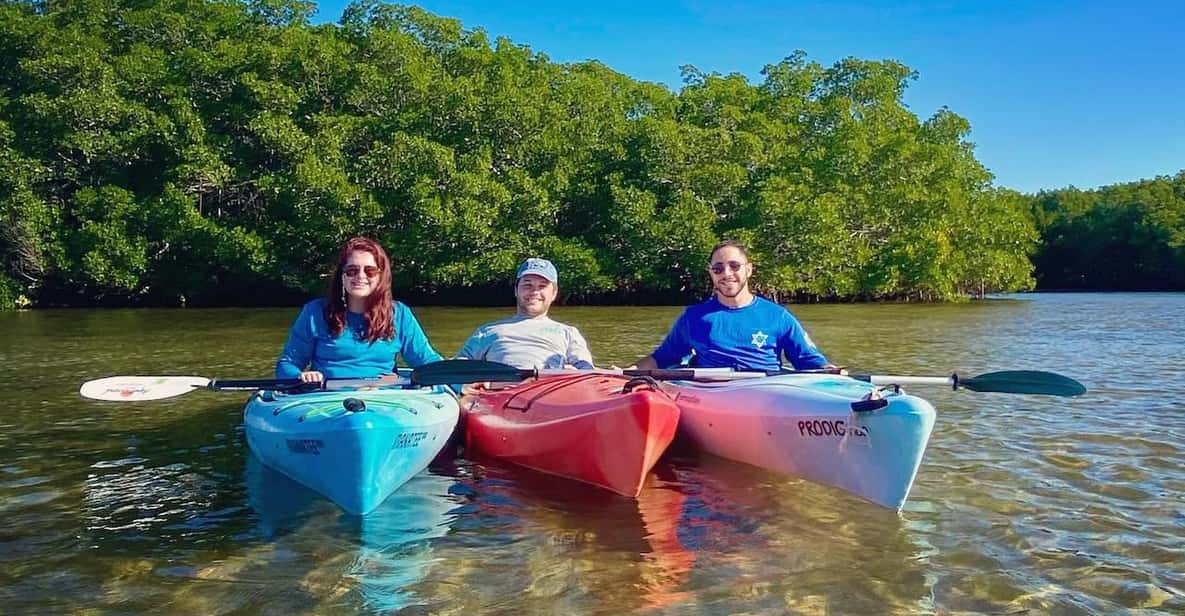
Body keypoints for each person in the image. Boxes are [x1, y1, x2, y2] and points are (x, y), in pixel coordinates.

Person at [631, 240, 832, 372]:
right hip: (713, 394)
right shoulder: (693, 318)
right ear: (711, 273)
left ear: (749, 270)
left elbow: (809, 360)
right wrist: (624, 373)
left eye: (734, 266)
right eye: (718, 269)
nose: (727, 274)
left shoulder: (778, 316)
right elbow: (662, 358)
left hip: (768, 391)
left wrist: (832, 373)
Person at [275, 236, 443, 382]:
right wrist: (301, 376)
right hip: (326, 398)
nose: (360, 276)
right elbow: (288, 364)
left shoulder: (400, 314)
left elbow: (426, 360)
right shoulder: (314, 312)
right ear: (342, 276)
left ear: (381, 276)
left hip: (384, 397)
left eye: (370, 271)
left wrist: (456, 379)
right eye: (352, 270)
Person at [455, 258, 595, 370]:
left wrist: (575, 374)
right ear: (516, 290)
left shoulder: (568, 333)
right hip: (500, 390)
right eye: (528, 285)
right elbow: (458, 367)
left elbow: (587, 370)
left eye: (542, 286)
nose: (534, 292)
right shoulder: (487, 331)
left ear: (554, 293)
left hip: (549, 389)